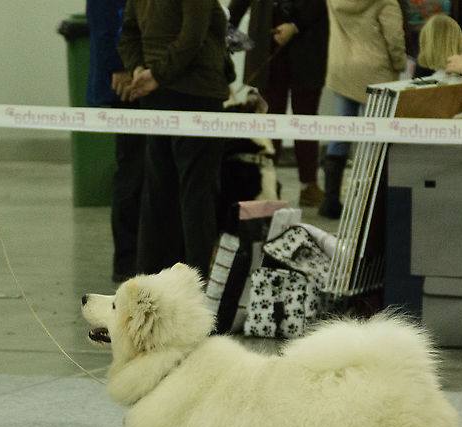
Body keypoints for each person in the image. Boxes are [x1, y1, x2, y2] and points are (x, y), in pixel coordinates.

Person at [117, 0, 230, 278]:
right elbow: (192, 38)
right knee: (197, 194)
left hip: (156, 97)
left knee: (158, 192)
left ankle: (151, 280)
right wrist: (155, 75)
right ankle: (198, 283)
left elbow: (128, 35)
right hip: (196, 94)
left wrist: (140, 71)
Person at [227, 0, 328, 208]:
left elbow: (319, 4)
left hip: (307, 47)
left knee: (306, 120)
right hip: (267, 49)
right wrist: (233, 38)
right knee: (270, 122)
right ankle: (268, 183)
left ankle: (309, 185)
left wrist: (295, 25)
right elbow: (236, 8)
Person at [320, 0, 406, 219]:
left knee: (340, 133)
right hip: (376, 71)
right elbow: (394, 37)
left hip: (341, 68)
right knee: (373, 138)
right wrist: (400, 64)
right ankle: (367, 202)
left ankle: (330, 200)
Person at [86, 0, 144, 282]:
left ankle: (135, 258)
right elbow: (106, 27)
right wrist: (120, 67)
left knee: (139, 172)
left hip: (138, 79)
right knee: (132, 173)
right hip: (127, 83)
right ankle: (127, 261)